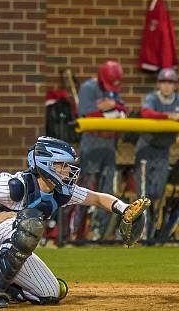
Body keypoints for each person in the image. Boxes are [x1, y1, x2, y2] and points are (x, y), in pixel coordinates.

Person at [0, 136, 149, 308]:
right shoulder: (18, 186)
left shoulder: (60, 191)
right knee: (28, 223)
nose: (68, 170)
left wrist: (124, 208)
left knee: (51, 292)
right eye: (62, 165)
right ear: (45, 164)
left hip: (4, 243)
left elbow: (97, 198)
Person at [136, 68, 179, 239]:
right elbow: (145, 113)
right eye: (164, 82)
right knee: (143, 194)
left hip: (163, 151)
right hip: (146, 149)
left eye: (170, 83)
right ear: (159, 84)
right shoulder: (152, 98)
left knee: (157, 193)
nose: (167, 86)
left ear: (175, 86)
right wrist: (170, 116)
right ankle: (140, 234)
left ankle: (151, 232)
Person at [72, 60, 126, 240]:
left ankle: (101, 232)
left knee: (108, 188)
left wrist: (111, 109)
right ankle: (77, 233)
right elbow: (85, 114)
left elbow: (122, 109)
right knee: (85, 189)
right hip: (92, 143)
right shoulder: (89, 88)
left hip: (109, 145)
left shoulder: (113, 87)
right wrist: (107, 111)